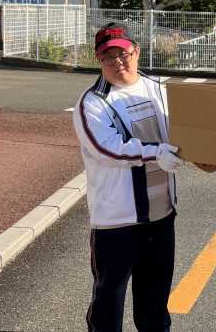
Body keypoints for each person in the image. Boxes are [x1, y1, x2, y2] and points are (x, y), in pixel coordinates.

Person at [73, 22, 185, 332]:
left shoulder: (158, 89)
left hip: (161, 215)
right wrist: (155, 153)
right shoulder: (92, 102)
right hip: (117, 221)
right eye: (109, 57)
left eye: (123, 54)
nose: (118, 62)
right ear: (99, 60)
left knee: (155, 304)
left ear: (136, 52)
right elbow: (107, 149)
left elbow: (182, 132)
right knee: (108, 304)